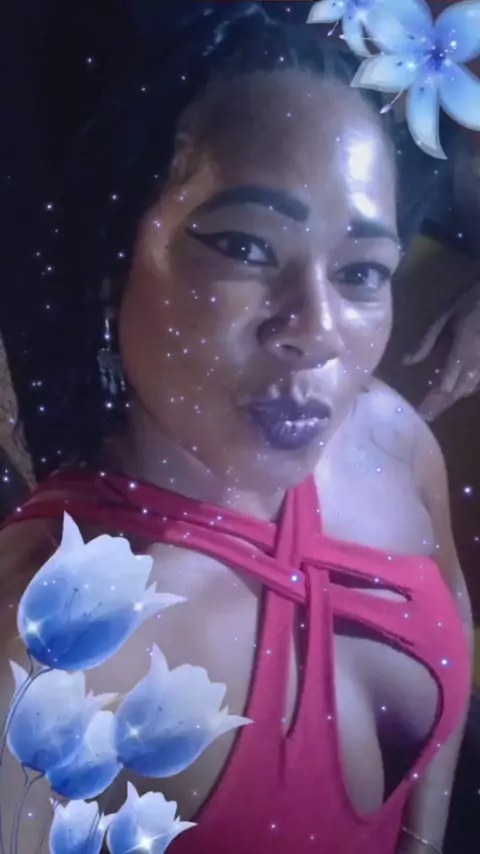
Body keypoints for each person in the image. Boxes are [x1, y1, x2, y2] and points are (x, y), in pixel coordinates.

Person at [0, 5, 473, 854]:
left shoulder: (389, 439)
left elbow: (454, 631)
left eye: (362, 272)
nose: (317, 330)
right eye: (246, 248)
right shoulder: (51, 647)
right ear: (113, 259)